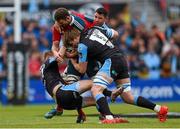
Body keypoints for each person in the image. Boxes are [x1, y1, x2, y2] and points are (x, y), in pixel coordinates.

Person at [64, 27, 169, 123]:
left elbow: (82, 70)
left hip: (111, 61)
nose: (73, 46)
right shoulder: (93, 30)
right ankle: (160, 109)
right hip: (121, 59)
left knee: (95, 89)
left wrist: (72, 60)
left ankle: (109, 118)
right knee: (128, 97)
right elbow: (115, 34)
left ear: (75, 37)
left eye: (72, 43)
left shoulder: (82, 46)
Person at [45, 7, 119, 118]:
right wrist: (57, 55)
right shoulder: (59, 26)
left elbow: (84, 47)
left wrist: (70, 56)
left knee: (97, 85)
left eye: (61, 24)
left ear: (68, 18)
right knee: (67, 88)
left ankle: (104, 112)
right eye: (57, 23)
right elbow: (59, 45)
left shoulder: (80, 25)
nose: (59, 26)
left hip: (89, 55)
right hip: (78, 55)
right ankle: (60, 106)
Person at [41, 51, 126, 123]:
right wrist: (69, 53)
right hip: (62, 93)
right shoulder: (47, 63)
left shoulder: (48, 74)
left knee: (95, 100)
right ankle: (111, 94)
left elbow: (69, 93)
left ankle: (107, 116)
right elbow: (58, 57)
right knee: (94, 83)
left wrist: (80, 112)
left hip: (64, 103)